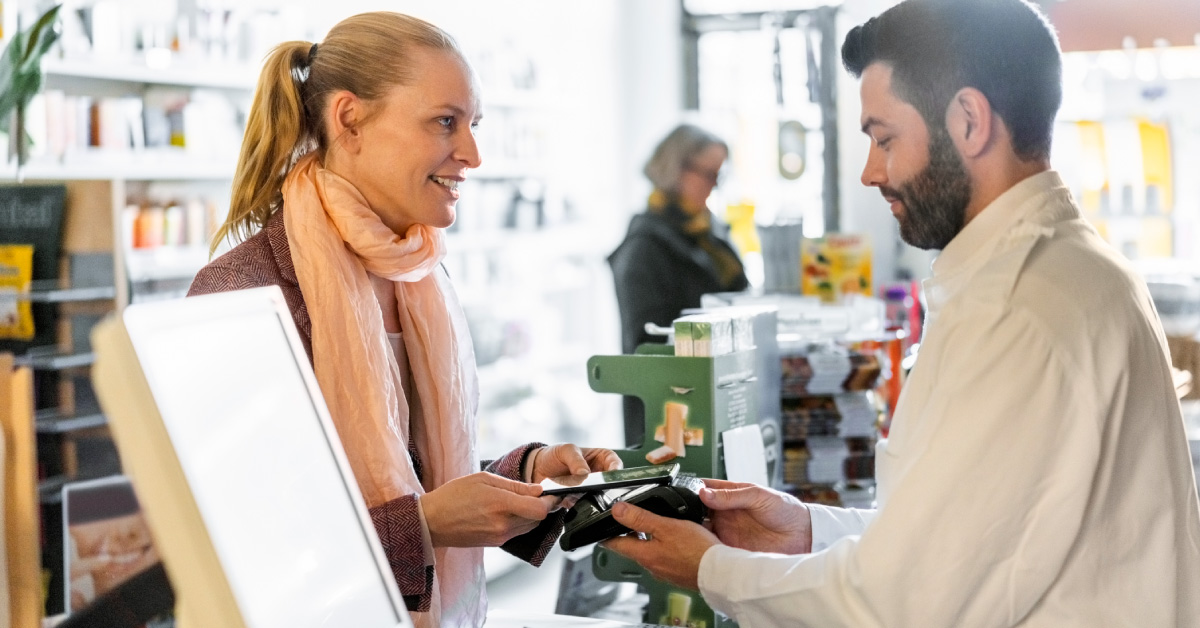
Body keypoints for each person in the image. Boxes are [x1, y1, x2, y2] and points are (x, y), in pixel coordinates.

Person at [603, 1, 1200, 625]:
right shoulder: (1073, 271)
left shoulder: (1015, 310)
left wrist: (709, 568)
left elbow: (900, 603)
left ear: (969, 121)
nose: (869, 172)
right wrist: (808, 529)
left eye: (884, 138)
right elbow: (965, 537)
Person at [187, 13, 619, 628]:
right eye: (445, 122)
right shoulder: (241, 295)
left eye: (473, 124)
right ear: (349, 119)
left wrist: (525, 475)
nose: (472, 153)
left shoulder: (418, 274)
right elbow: (239, 545)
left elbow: (414, 474)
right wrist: (424, 525)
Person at [608, 124, 750, 444]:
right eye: (708, 174)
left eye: (719, 176)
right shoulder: (644, 248)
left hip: (717, 403)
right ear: (677, 169)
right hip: (669, 424)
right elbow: (646, 348)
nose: (714, 186)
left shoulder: (710, 236)